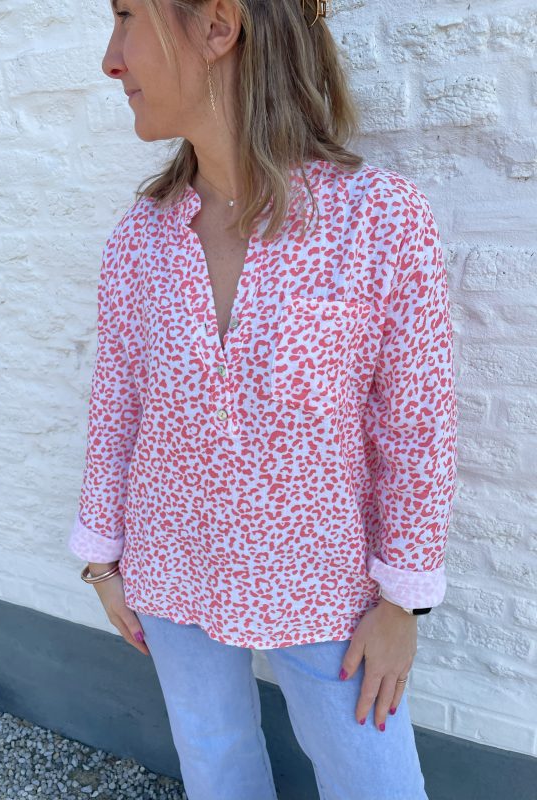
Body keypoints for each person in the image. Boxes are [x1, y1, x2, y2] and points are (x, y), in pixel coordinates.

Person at [68, 1, 458, 798]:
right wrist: (101, 559)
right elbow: (117, 406)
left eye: (127, 15)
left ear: (219, 26)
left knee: (373, 781)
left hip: (324, 581)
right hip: (169, 561)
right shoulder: (141, 239)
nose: (112, 58)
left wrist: (402, 604)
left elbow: (417, 427)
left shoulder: (376, 221)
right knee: (214, 762)